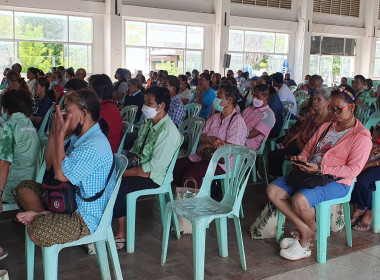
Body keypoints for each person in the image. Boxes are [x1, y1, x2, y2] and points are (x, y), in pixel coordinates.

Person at [267, 85, 372, 260]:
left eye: (339, 110)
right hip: (312, 173)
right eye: (332, 108)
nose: (335, 113)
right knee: (273, 191)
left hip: (338, 181)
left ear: (352, 108)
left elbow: (353, 170)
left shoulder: (361, 136)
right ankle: (307, 231)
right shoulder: (328, 126)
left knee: (300, 199)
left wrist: (322, 169)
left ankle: (305, 243)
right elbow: (309, 148)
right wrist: (302, 158)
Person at [15, 90, 115, 247]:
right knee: (24, 188)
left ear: (83, 114)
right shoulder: (78, 138)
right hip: (67, 199)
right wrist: (55, 132)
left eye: (67, 110)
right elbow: (50, 166)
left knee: (36, 231)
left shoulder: (95, 144)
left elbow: (60, 174)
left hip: (84, 216)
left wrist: (61, 134)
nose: (62, 113)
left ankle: (44, 217)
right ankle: (47, 215)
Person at [112, 86, 181, 250]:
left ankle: (122, 232)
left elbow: (151, 169)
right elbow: (137, 150)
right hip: (141, 167)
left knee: (117, 186)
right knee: (107, 175)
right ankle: (102, 223)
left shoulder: (168, 132)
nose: (145, 106)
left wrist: (123, 174)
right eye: (145, 102)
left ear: (161, 106)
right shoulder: (149, 124)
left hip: (154, 177)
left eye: (149, 103)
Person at [173, 84, 247, 190]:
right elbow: (202, 136)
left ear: (229, 100)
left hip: (224, 162)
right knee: (177, 167)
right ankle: (190, 196)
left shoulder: (237, 121)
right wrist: (210, 139)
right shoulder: (215, 117)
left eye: (219, 96)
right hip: (205, 155)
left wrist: (208, 144)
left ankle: (193, 203)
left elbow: (232, 147)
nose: (215, 99)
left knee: (192, 175)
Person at [268, 88, 332, 177]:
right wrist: (298, 143)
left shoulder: (329, 121)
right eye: (314, 99)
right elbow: (302, 131)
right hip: (300, 145)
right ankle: (279, 176)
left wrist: (303, 149)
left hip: (311, 152)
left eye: (319, 99)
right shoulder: (312, 117)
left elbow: (321, 144)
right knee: (275, 152)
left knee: (275, 155)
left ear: (328, 102)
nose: (315, 102)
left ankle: (279, 178)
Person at [0, 89, 40, 209]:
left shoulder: (11, 126)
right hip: (30, 182)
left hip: (12, 187)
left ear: (6, 108)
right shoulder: (28, 123)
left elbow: (4, 163)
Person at [350, 122, 380, 231]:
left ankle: (369, 211)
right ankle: (360, 206)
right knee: (352, 173)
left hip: (377, 162)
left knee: (364, 179)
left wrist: (369, 164)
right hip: (374, 155)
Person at [89, 74, 123, 153]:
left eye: (89, 88)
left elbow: (90, 132)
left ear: (97, 91)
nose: (87, 91)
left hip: (107, 150)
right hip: (101, 145)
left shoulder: (107, 109)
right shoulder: (103, 106)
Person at [242, 84, 275, 151]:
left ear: (267, 98)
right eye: (253, 96)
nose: (254, 99)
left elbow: (254, 134)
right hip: (239, 138)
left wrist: (237, 136)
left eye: (258, 96)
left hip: (249, 144)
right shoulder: (248, 109)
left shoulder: (269, 115)